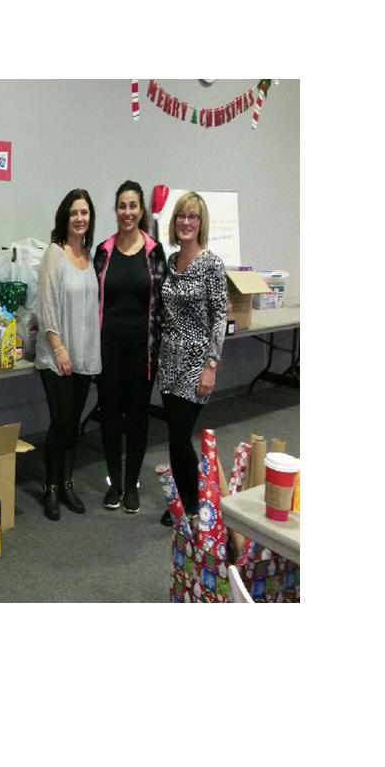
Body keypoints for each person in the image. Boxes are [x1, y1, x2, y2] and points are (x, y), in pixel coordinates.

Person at [92, 180, 168, 513]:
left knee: (137, 417)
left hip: (143, 350)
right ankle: (115, 483)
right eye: (122, 206)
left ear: (141, 210)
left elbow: (164, 301)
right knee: (110, 416)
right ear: (116, 210)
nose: (127, 212)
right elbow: (91, 299)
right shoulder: (104, 251)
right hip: (107, 348)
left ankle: (132, 484)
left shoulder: (153, 251)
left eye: (133, 205)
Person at [156, 191, 228, 528]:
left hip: (196, 362)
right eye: (181, 216)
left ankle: (198, 502)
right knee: (175, 435)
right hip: (168, 362)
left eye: (193, 217)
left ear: (201, 223)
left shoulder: (211, 263)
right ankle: (184, 500)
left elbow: (219, 316)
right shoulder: (172, 262)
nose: (186, 222)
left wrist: (211, 365)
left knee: (180, 435)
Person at [34, 189, 102, 520]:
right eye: (74, 212)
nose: (79, 218)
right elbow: (46, 306)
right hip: (56, 355)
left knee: (74, 423)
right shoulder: (55, 253)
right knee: (60, 421)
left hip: (83, 355)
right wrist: (59, 349)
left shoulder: (88, 256)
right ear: (65, 216)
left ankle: (66, 484)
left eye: (84, 212)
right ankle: (50, 486)